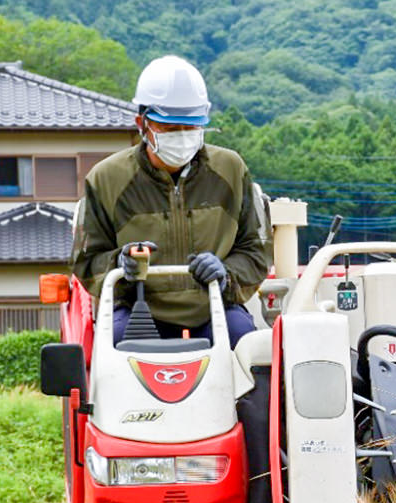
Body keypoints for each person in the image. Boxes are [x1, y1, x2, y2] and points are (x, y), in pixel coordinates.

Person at [71, 55, 271, 348]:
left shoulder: (230, 169)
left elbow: (256, 249)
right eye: (169, 128)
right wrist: (121, 263)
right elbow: (86, 261)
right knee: (111, 350)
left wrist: (226, 273)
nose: (182, 136)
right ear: (142, 123)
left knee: (250, 348)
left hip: (215, 305)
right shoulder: (107, 178)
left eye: (190, 127)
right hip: (138, 308)